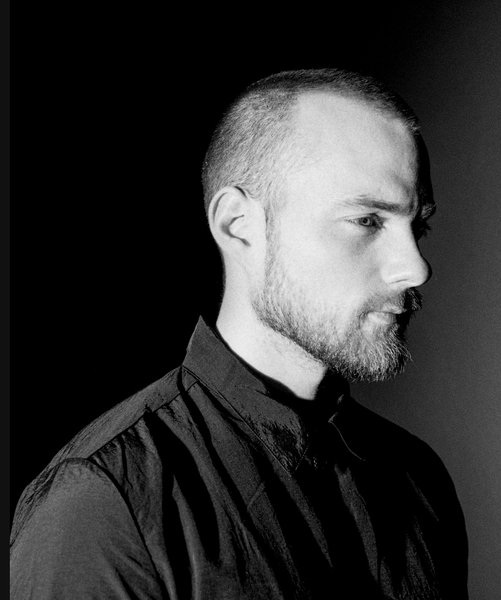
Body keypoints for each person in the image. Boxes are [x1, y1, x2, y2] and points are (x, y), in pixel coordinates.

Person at [10, 68, 469, 599]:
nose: (415, 268)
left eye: (418, 228)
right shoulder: (107, 501)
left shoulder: (415, 479)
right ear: (238, 224)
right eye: (368, 220)